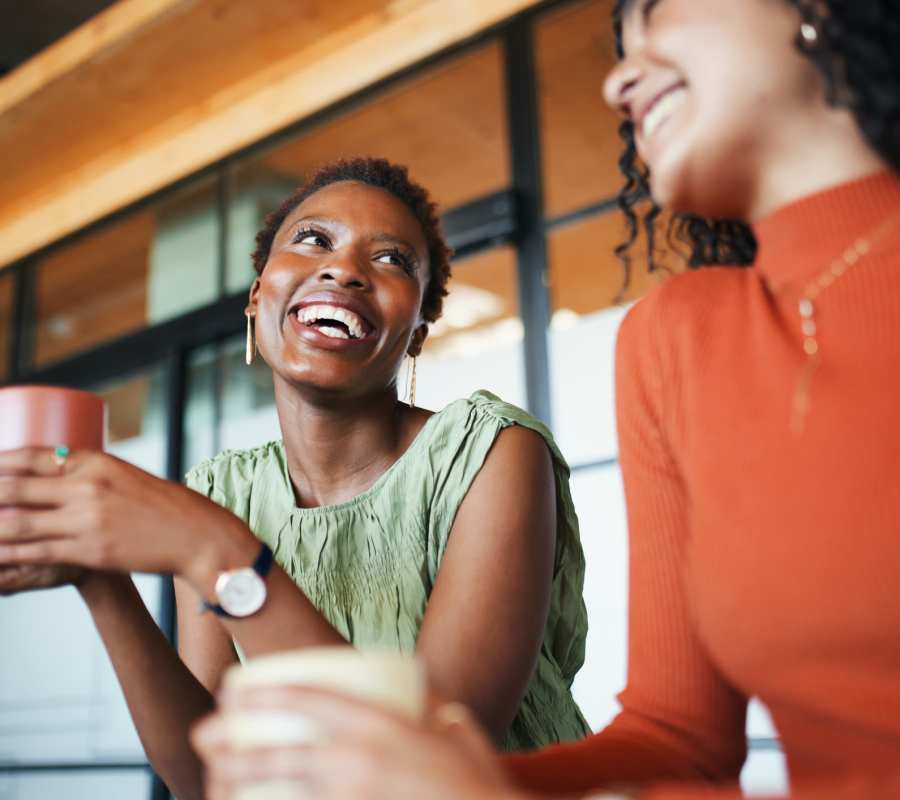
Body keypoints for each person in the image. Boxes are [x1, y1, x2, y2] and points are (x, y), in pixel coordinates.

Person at [191, 1, 900, 798]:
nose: (619, 80)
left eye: (657, 16)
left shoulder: (489, 448)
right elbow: (679, 741)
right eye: (619, 47)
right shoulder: (677, 336)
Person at [0, 157, 590, 800]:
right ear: (259, 297)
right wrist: (101, 579)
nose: (343, 269)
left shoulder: (493, 450)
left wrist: (217, 551)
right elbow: (203, 778)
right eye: (314, 240)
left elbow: (427, 761)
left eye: (392, 260)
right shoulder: (222, 493)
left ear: (418, 329)